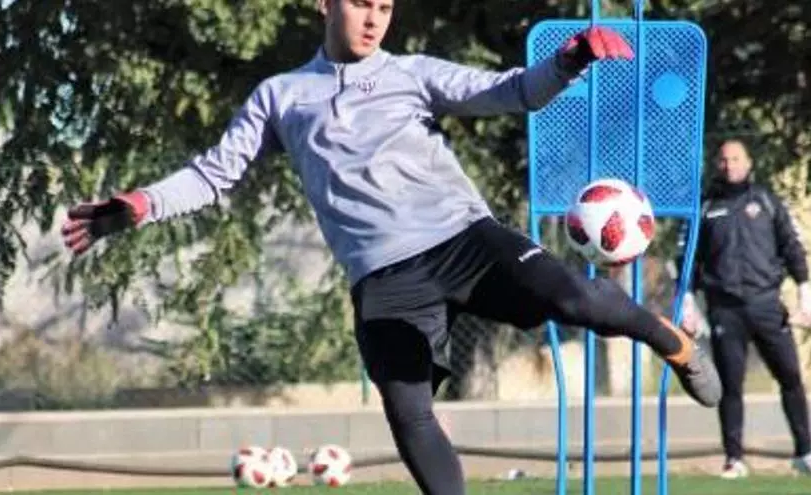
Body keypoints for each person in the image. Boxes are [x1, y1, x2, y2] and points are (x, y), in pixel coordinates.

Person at [61, 1, 722, 493]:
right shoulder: (281, 96)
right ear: (325, 5)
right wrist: (140, 205)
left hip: (465, 239)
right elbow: (213, 175)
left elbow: (516, 91)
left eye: (384, 7)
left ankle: (673, 341)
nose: (374, 19)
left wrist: (568, 62)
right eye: (361, 5)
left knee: (575, 299)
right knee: (409, 413)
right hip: (383, 276)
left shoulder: (413, 74)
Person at [679, 139, 811, 479]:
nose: (730, 165)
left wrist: (805, 291)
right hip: (725, 310)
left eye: (736, 159)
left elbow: (792, 246)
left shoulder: (767, 201)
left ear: (748, 163)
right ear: (716, 164)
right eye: (724, 160)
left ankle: (806, 452)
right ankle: (734, 459)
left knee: (790, 376)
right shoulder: (705, 207)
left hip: (766, 305)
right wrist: (687, 301)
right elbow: (687, 258)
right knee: (730, 386)